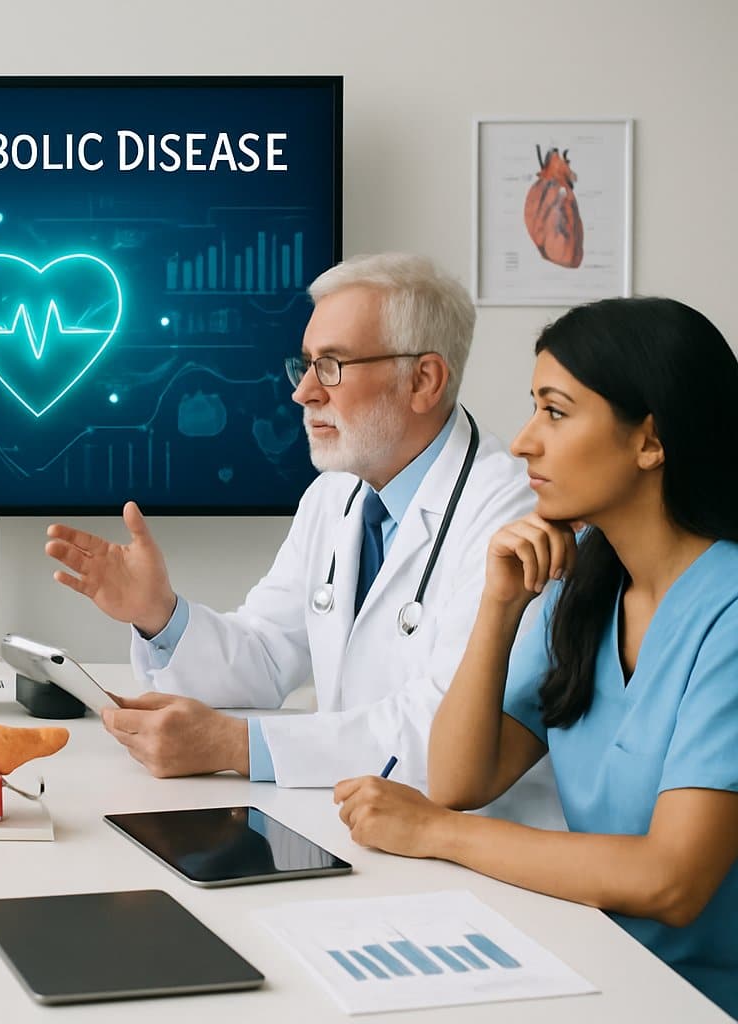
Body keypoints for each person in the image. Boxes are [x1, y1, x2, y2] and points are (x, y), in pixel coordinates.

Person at [46, 253, 557, 823]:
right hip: (359, 826)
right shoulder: (334, 495)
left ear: (423, 380)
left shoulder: (515, 511)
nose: (304, 392)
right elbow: (265, 656)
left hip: (478, 849)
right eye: (306, 363)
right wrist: (159, 615)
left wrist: (236, 746)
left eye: (333, 365)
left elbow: (446, 732)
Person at [333, 297, 738, 1015]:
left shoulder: (728, 613)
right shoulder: (585, 576)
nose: (522, 443)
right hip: (590, 963)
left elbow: (672, 881)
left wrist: (437, 832)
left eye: (555, 412)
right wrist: (499, 604)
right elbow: (462, 777)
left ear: (650, 439)